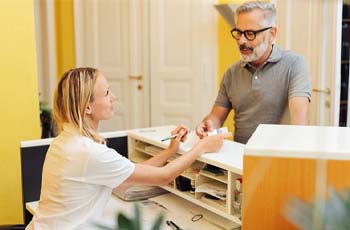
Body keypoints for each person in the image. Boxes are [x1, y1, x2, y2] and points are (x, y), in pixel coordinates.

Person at [26, 67, 231, 229]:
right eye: (106, 93)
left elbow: (124, 181)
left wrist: (170, 151)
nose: (113, 97)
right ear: (87, 107)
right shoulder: (89, 153)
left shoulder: (66, 141)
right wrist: (201, 147)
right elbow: (163, 177)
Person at [196, 1, 311, 144]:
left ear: (272, 33)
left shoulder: (294, 65)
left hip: (278, 160)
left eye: (250, 33)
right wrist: (208, 125)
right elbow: (216, 117)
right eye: (238, 32)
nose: (241, 41)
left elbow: (300, 120)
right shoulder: (231, 73)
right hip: (238, 159)